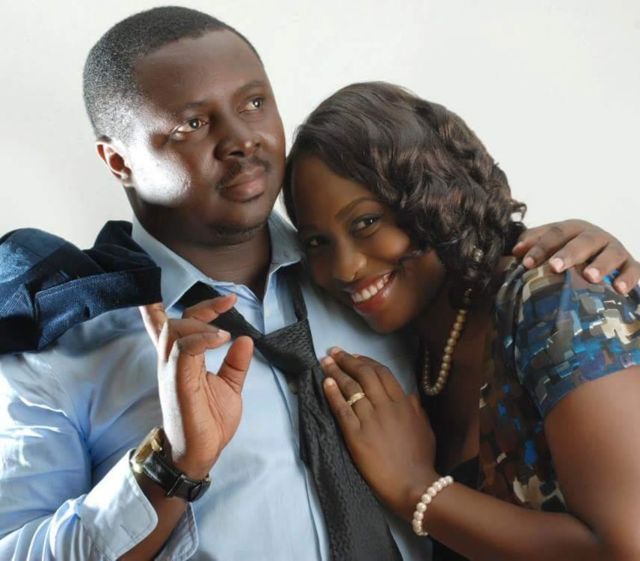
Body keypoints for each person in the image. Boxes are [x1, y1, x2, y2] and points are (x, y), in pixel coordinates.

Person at [0, 7, 637, 561]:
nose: (241, 140)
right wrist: (171, 465)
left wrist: (575, 250)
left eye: (254, 103)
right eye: (193, 124)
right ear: (118, 160)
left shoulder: (377, 285)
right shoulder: (61, 342)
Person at [282, 81, 640, 561]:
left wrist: (417, 489)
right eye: (316, 242)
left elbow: (626, 547)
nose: (345, 268)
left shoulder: (554, 300)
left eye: (365, 222)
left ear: (438, 194)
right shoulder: (409, 348)